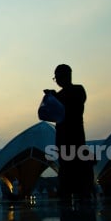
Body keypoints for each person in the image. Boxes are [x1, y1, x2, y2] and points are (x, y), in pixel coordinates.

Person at [44, 64, 91, 202]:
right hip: (65, 137)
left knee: (74, 167)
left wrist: (54, 97)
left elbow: (68, 106)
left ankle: (78, 194)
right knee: (67, 167)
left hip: (73, 136)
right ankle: (71, 194)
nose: (57, 80)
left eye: (57, 77)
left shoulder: (77, 90)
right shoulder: (65, 94)